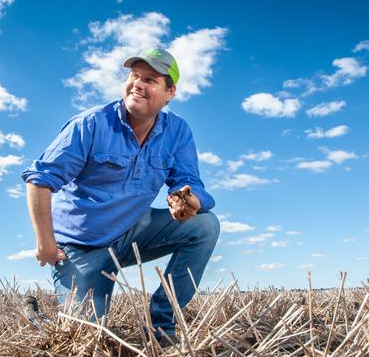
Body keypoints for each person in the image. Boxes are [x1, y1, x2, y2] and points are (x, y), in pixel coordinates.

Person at [21, 47, 220, 342]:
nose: (138, 83)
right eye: (134, 75)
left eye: (150, 79)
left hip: (134, 232)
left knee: (205, 225)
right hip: (83, 246)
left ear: (170, 92)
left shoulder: (177, 131)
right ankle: (34, 315)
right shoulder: (91, 123)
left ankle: (161, 329)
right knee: (83, 339)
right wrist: (46, 243)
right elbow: (39, 181)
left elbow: (189, 181)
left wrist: (191, 200)